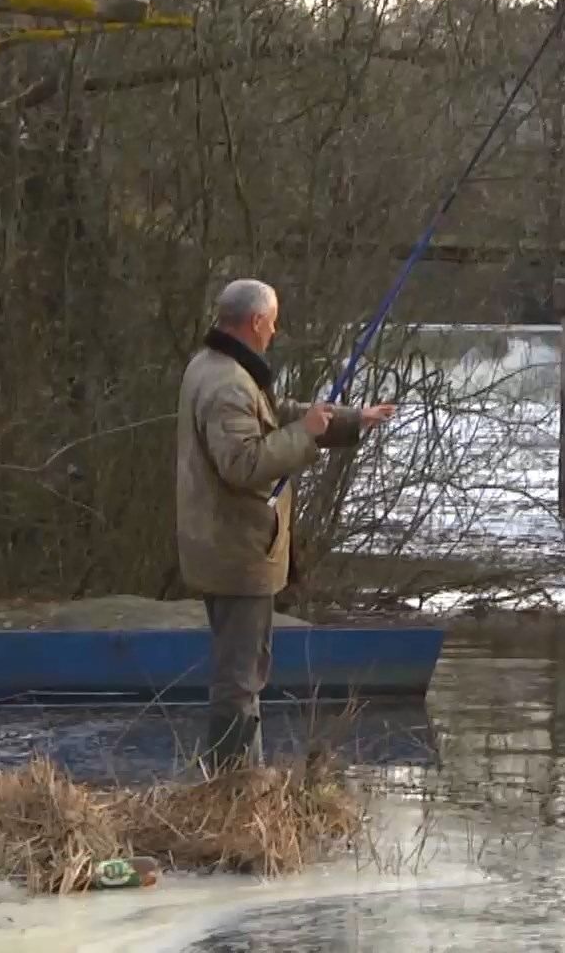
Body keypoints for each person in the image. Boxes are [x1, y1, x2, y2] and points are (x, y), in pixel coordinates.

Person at [176, 279, 396, 772]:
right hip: (238, 552)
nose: (276, 330)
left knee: (241, 671)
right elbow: (244, 463)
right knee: (241, 678)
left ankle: (235, 778)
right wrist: (305, 435)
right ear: (255, 322)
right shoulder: (227, 383)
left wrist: (350, 419)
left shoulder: (218, 367)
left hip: (226, 546)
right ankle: (233, 785)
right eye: (272, 321)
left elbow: (275, 417)